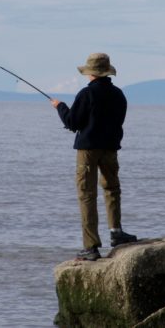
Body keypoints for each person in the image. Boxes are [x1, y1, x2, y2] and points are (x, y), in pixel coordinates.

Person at [51, 53, 137, 261]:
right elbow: (119, 120)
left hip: (88, 150)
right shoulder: (118, 94)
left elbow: (73, 122)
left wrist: (59, 107)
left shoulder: (86, 94)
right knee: (112, 189)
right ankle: (116, 232)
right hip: (110, 148)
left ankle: (91, 246)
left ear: (91, 73)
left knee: (87, 194)